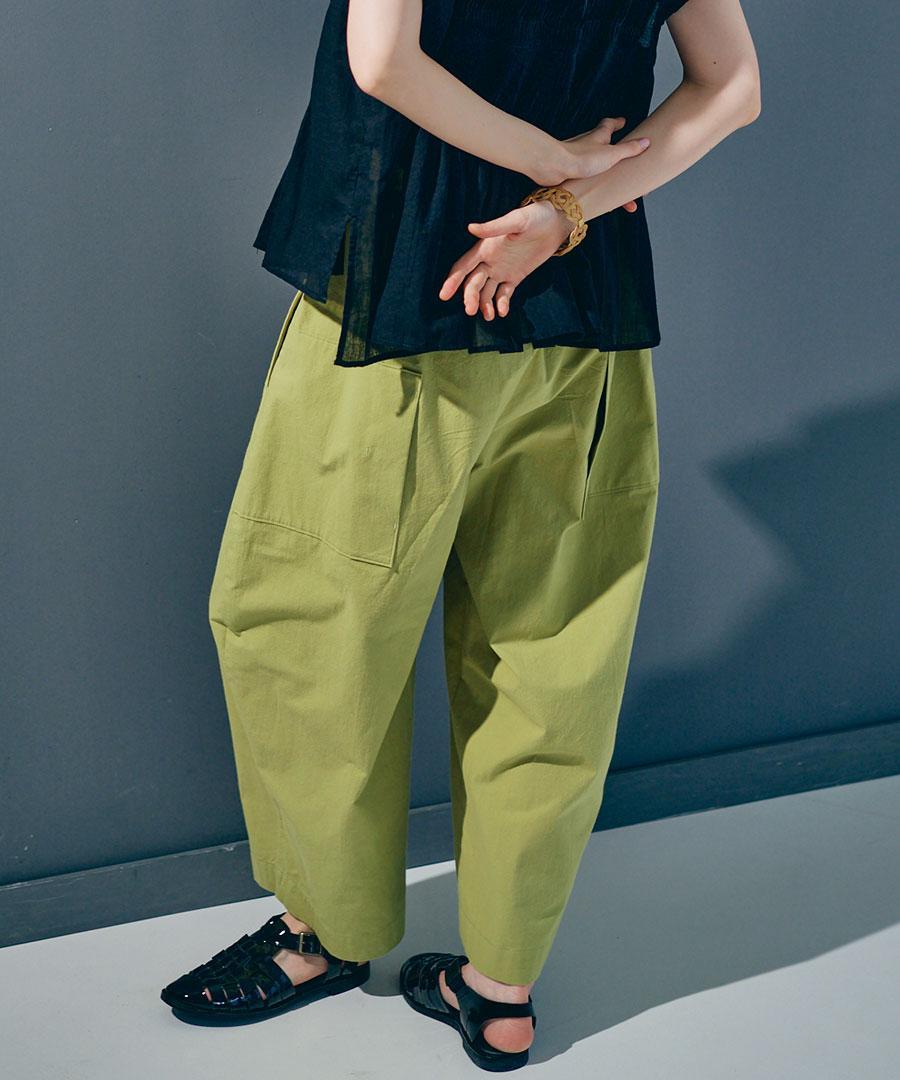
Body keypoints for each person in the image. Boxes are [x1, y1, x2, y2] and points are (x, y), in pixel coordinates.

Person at [160, 0, 760, 1070]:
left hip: (402, 292)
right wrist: (569, 209)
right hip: (580, 304)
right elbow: (734, 86)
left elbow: (384, 60)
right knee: (553, 650)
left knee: (310, 628)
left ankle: (320, 937)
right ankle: (502, 989)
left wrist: (553, 169)